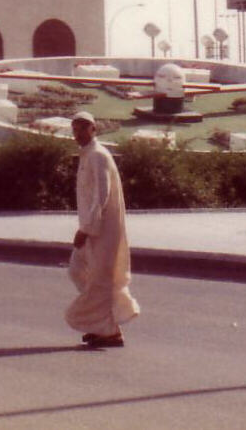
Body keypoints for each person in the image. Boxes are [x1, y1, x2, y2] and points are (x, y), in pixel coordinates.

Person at [65, 111, 139, 348]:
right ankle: (104, 324)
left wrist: (85, 229)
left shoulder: (97, 155)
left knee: (100, 279)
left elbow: (102, 196)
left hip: (102, 230)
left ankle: (109, 331)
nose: (77, 134)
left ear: (93, 129)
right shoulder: (87, 155)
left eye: (81, 129)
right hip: (92, 228)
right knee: (79, 270)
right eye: (74, 129)